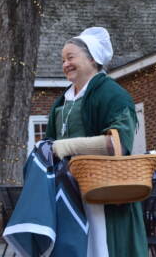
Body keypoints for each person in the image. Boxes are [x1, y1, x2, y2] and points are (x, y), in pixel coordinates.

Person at [45, 27, 148, 257]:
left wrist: (69, 147)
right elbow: (50, 141)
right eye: (63, 60)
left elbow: (118, 143)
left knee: (101, 247)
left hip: (104, 191)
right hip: (70, 192)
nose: (65, 64)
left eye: (71, 57)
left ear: (92, 58)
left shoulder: (113, 94)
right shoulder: (63, 100)